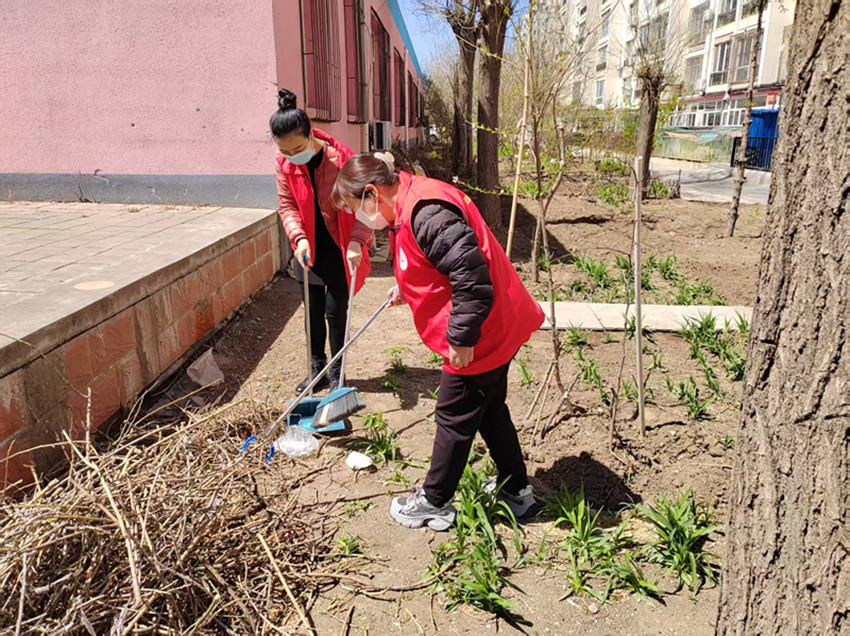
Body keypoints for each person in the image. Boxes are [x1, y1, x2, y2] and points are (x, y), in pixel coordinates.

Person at [332, 152, 545, 531]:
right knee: (490, 410)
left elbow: (471, 279)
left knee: (453, 418)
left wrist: (462, 339)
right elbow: (437, 260)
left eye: (355, 207)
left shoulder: (427, 212)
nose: (359, 217)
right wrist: (409, 287)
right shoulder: (414, 198)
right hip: (496, 323)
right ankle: (517, 493)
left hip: (481, 333)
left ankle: (434, 501)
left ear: (372, 193)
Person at [271, 89, 372, 393]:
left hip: (340, 248)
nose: (292, 156)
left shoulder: (342, 158)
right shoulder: (284, 163)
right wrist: (299, 237)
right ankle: (317, 369)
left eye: (297, 148)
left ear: (311, 134)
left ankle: (338, 372)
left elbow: (366, 203)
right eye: (285, 151)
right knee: (312, 313)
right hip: (309, 250)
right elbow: (287, 204)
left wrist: (356, 241)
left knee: (335, 312)